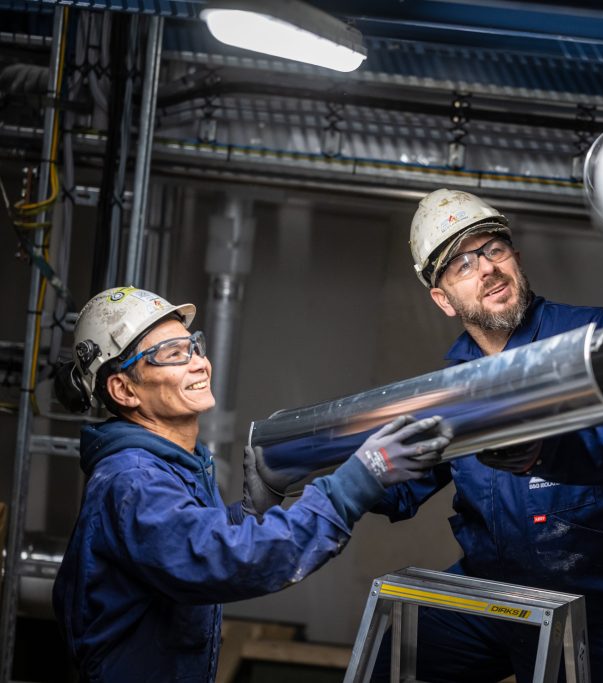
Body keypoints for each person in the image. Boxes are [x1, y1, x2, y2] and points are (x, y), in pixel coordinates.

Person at [51, 286, 450, 683]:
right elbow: (221, 561)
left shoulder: (170, 465)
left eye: (194, 346)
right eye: (172, 354)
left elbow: (183, 545)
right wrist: (353, 485)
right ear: (124, 389)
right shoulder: (133, 481)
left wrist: (251, 511)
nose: (199, 363)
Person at [369, 189, 603, 682]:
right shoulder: (454, 383)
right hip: (495, 595)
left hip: (596, 606)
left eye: (494, 249)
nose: (487, 268)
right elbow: (406, 483)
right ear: (443, 299)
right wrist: (322, 481)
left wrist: (544, 450)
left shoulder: (591, 335)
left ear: (515, 258)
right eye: (463, 264)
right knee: (394, 659)